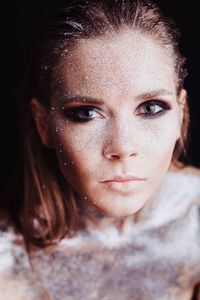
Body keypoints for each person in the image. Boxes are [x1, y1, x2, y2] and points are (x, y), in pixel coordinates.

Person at [0, 0, 199, 299]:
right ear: (43, 125)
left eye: (152, 107)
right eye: (86, 113)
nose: (123, 147)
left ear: (181, 113)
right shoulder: (7, 262)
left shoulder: (194, 217)